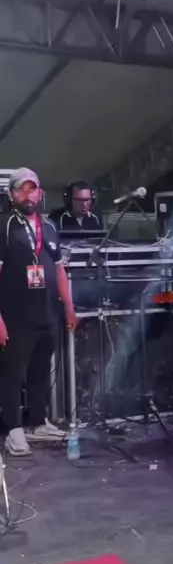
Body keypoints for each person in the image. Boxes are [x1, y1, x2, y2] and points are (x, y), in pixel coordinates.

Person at [0, 168, 77, 456]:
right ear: (11, 194)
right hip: (15, 315)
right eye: (21, 189)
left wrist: (68, 306)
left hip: (46, 313)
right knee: (12, 374)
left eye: (32, 189)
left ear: (40, 193)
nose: (27, 195)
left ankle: (37, 422)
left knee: (40, 371)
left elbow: (59, 269)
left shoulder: (49, 227)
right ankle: (13, 430)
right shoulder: (4, 226)